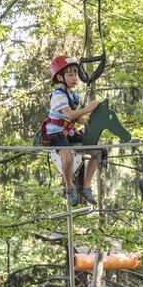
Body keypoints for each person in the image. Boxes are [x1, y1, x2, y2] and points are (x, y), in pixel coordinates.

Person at [46, 55, 100, 207]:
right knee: (68, 159)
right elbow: (69, 114)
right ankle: (69, 187)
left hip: (68, 132)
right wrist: (88, 108)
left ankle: (86, 186)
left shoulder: (73, 95)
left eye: (75, 74)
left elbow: (74, 118)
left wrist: (86, 121)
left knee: (97, 150)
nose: (74, 78)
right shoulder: (58, 95)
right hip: (56, 133)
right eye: (70, 74)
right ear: (59, 77)